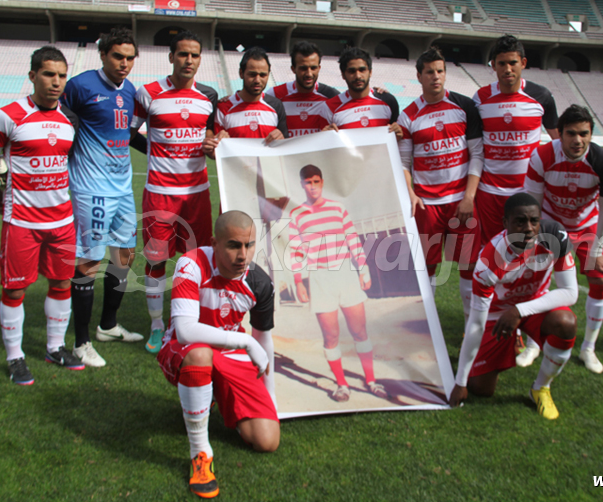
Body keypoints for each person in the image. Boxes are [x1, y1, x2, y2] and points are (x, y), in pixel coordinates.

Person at [0, 46, 84, 384]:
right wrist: (0, 198)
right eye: (49, 74)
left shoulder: (69, 119)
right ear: (33, 76)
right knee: (14, 290)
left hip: (62, 221)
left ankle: (55, 348)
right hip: (22, 221)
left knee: (62, 283)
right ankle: (15, 357)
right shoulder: (8, 116)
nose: (56, 82)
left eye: (62, 75)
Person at [157, 210, 279, 499]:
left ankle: (212, 396)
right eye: (234, 245)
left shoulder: (259, 282)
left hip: (229, 352)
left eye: (249, 245)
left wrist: (271, 398)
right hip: (184, 349)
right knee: (200, 355)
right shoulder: (191, 264)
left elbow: (263, 339)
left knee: (266, 441)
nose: (243, 255)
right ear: (214, 243)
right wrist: (244, 341)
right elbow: (185, 331)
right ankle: (200, 453)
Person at [448, 193, 579, 420]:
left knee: (566, 323)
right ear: (505, 223)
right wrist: (460, 382)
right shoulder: (489, 261)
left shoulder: (555, 236)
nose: (528, 228)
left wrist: (519, 310)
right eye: (520, 221)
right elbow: (476, 324)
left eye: (534, 221)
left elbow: (570, 293)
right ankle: (496, 353)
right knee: (481, 388)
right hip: (497, 314)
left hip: (533, 306)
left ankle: (541, 388)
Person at [62, 28, 147, 367]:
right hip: (92, 188)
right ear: (103, 55)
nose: (124, 64)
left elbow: (127, 133)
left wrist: (161, 150)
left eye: (129, 58)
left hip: (122, 187)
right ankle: (81, 342)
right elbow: (60, 124)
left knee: (124, 256)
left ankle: (108, 326)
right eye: (118, 57)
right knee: (89, 262)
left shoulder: (129, 90)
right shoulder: (80, 86)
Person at [130, 31, 219, 354]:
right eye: (182, 54)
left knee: (196, 260)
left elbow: (212, 136)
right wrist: (154, 149)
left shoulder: (208, 96)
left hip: (197, 194)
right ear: (171, 57)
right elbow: (130, 132)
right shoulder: (149, 93)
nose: (188, 60)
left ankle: (189, 321)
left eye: (194, 55)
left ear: (200, 59)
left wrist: (211, 146)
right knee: (156, 261)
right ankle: (157, 325)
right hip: (160, 193)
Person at [522, 104, 603, 374]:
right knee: (536, 282)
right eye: (571, 133)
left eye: (584, 134)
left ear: (591, 135)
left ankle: (588, 348)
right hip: (551, 224)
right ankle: (532, 344)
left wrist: (597, 248)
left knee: (600, 280)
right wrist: (533, 240)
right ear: (560, 134)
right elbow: (532, 204)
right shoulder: (542, 156)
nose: (578, 140)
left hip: (587, 226)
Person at [397, 46, 484, 323]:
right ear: (419, 76)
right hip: (427, 204)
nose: (436, 76)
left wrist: (469, 197)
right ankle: (428, 328)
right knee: (428, 267)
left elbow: (477, 154)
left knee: (468, 265)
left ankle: (470, 325)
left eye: (440, 71)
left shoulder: (464, 106)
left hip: (461, 201)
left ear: (445, 73)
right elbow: (404, 163)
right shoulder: (408, 115)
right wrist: (411, 193)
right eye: (429, 72)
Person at [287, 164, 388, 402]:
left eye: (316, 181)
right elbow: (296, 251)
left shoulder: (337, 208)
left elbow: (353, 240)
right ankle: (342, 385)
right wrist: (299, 282)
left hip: (345, 274)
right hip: (320, 278)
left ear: (322, 182)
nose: (313, 186)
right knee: (331, 336)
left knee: (359, 331)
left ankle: (371, 381)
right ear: (302, 185)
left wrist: (363, 269)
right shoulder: (296, 214)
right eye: (308, 182)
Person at [472, 35, 558, 244]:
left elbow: (558, 142)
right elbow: (473, 145)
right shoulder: (480, 98)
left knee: (526, 250)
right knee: (492, 249)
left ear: (523, 63)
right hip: (490, 192)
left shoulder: (541, 96)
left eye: (513, 63)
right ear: (493, 65)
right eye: (502, 64)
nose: (508, 69)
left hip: (528, 191)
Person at [204, 47, 287, 156]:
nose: (257, 80)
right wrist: (213, 146)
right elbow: (215, 153)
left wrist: (281, 139)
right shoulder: (224, 107)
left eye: (263, 75)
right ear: (241, 73)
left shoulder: (276, 105)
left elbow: (285, 146)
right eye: (252, 74)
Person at [317, 47, 402, 138]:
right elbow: (323, 142)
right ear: (343, 75)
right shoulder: (329, 107)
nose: (358, 76)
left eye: (362, 70)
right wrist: (325, 137)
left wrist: (398, 134)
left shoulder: (388, 101)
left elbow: (397, 138)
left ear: (370, 72)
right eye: (351, 71)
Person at [265, 41, 339, 138]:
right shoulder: (275, 95)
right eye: (303, 68)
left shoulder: (332, 96)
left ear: (319, 68)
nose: (309, 74)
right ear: (293, 69)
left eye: (313, 68)